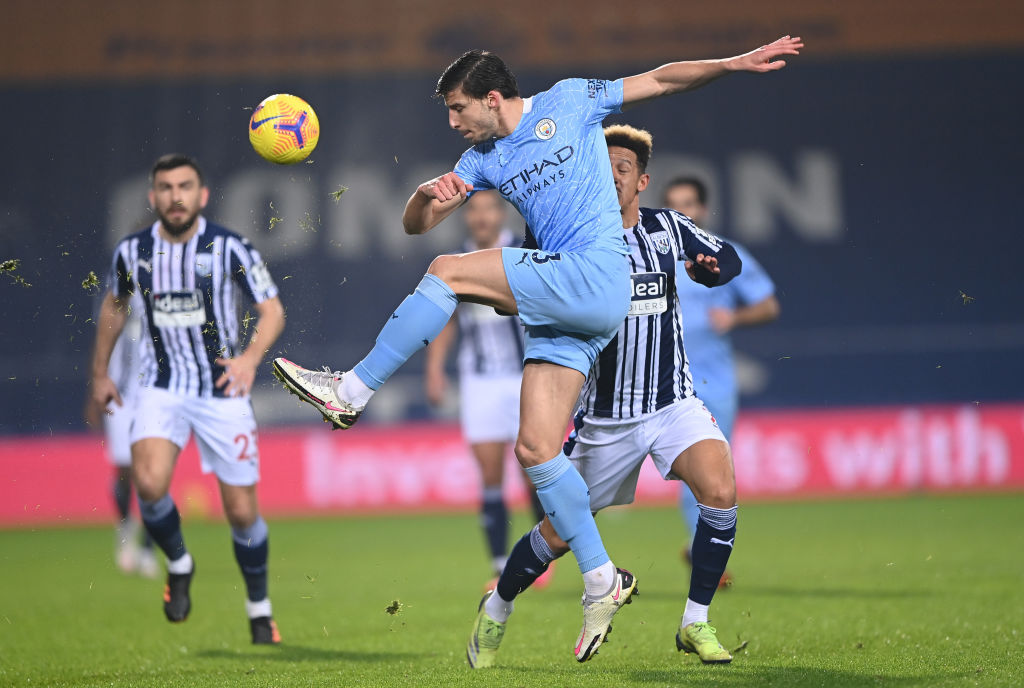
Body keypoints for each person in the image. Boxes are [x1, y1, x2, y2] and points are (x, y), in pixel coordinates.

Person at [271, 36, 802, 662]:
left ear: (492, 98)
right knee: (536, 450)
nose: (452, 122)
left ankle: (351, 390)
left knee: (447, 272)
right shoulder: (481, 159)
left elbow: (660, 80)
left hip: (598, 277)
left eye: (457, 109)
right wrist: (424, 196)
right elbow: (416, 225)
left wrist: (731, 64)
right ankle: (600, 579)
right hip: (568, 309)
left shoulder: (571, 102)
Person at [467, 124, 742, 667]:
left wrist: (712, 271)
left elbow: (725, 258)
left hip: (672, 404)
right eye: (603, 166)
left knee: (720, 487)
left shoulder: (668, 228)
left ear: (642, 180)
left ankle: (695, 622)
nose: (612, 176)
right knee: (553, 536)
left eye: (622, 168)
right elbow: (518, 285)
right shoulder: (565, 237)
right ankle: (497, 606)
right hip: (604, 420)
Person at [88, 154, 287, 644]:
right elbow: (114, 304)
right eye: (165, 187)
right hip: (160, 387)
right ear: (153, 196)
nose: (175, 196)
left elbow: (272, 311)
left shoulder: (230, 247)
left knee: (241, 513)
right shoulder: (132, 251)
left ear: (202, 195)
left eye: (184, 186)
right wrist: (99, 373)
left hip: (222, 389)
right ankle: (179, 563)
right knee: (150, 484)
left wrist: (249, 360)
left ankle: (259, 608)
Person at [423, 190, 549, 581]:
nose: (480, 218)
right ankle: (499, 567)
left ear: (500, 215)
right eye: (473, 211)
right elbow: (447, 319)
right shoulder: (457, 263)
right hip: (479, 379)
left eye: (488, 210)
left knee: (535, 469)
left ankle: (541, 559)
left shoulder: (524, 252)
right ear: (466, 218)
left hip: (526, 375)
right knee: (491, 474)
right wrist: (434, 368)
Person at [664, 177, 780, 585]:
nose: (683, 211)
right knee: (693, 467)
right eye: (675, 205)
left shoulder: (724, 255)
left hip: (717, 381)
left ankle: (700, 548)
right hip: (668, 383)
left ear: (703, 208)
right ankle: (703, 551)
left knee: (714, 471)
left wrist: (735, 318)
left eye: (690, 203)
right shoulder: (655, 255)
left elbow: (768, 305)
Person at [84, 289, 158, 578]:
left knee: (151, 472)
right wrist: (95, 389)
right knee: (126, 470)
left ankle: (149, 547)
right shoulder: (115, 290)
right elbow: (102, 338)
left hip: (153, 393)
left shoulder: (164, 283)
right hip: (119, 395)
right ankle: (126, 530)